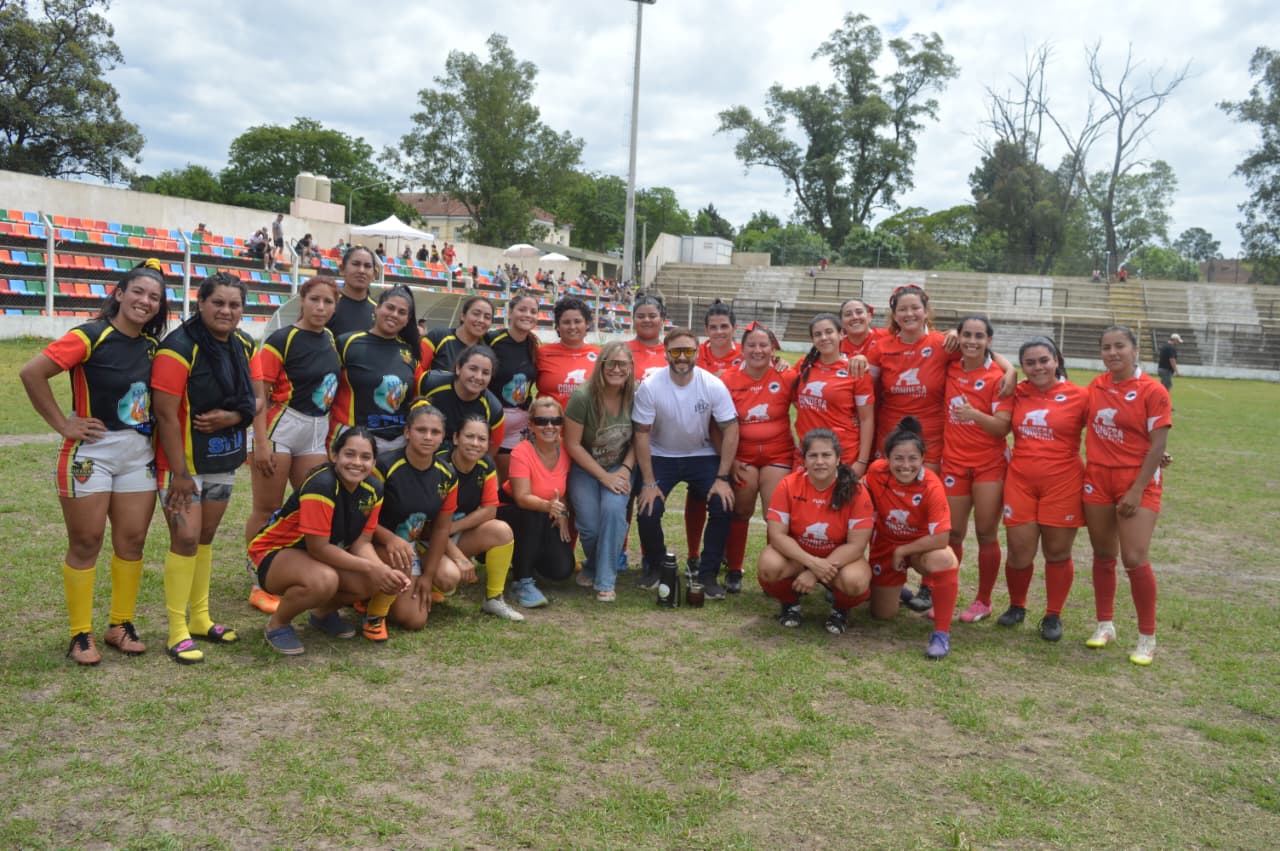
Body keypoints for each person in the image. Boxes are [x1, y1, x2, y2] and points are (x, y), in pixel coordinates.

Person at [20, 261, 169, 664]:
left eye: (154, 297)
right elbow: (32, 372)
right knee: (86, 542)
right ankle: (79, 634)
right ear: (119, 294)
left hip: (137, 454)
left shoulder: (153, 348)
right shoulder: (90, 335)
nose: (145, 301)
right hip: (91, 454)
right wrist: (63, 424)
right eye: (138, 292)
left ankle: (120, 624)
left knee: (132, 540)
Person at [865, 284, 1013, 614]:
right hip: (890, 445)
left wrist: (1011, 369)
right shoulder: (881, 347)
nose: (909, 314)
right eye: (901, 310)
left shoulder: (943, 344)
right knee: (886, 515)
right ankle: (885, 576)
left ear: (926, 310)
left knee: (926, 518)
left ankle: (933, 588)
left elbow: (982, 351)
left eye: (915, 308)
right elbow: (866, 387)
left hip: (933, 447)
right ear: (894, 314)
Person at [151, 272, 258, 665]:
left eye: (234, 305)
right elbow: (165, 413)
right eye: (218, 303)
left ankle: (200, 617)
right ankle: (177, 628)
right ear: (201, 303)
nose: (226, 311)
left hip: (222, 458)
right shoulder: (178, 347)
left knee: (206, 536)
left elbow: (256, 399)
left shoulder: (243, 344)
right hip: (182, 464)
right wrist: (179, 473)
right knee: (185, 539)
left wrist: (232, 418)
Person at [249, 428, 409, 655]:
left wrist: (381, 571)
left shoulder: (374, 488)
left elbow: (362, 542)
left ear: (374, 461)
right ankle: (278, 624)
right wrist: (374, 568)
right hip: (274, 553)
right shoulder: (322, 485)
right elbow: (319, 548)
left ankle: (322, 614)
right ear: (334, 455)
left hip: (316, 555)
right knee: (325, 580)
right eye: (349, 454)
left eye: (365, 457)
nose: (357, 463)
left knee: (373, 580)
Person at [245, 277, 341, 612]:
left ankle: (290, 567)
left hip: (316, 430)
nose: (321, 307)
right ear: (302, 300)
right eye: (315, 300)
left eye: (328, 302)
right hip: (281, 427)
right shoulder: (281, 339)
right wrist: (259, 441)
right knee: (267, 507)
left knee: (308, 505)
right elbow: (259, 394)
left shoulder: (329, 338)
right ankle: (259, 577)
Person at [1083, 326, 1172, 665]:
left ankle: (1147, 638)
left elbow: (1158, 444)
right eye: (1106, 347)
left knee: (1134, 558)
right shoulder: (1097, 385)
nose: (1112, 353)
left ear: (1135, 350)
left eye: (1120, 346)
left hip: (1136, 482)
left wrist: (1136, 489)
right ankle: (1105, 624)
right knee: (1103, 553)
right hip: (1097, 478)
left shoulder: (1153, 390)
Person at [633, 327, 739, 597]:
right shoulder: (651, 385)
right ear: (666, 352)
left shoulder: (712, 384)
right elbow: (641, 433)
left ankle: (708, 573)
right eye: (676, 351)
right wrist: (647, 481)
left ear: (697, 352)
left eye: (688, 351)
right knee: (648, 508)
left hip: (701, 455)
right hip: (661, 455)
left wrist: (723, 478)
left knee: (722, 503)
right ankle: (656, 565)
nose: (682, 357)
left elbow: (731, 428)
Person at [994, 336, 1089, 639]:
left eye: (1044, 360)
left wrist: (1154, 453)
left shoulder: (1080, 395)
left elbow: (1110, 428)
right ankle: (1017, 605)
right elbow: (983, 352)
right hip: (1021, 481)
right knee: (1019, 552)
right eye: (1030, 363)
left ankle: (1053, 615)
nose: (1038, 368)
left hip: (1063, 483)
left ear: (1056, 360)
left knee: (1057, 552)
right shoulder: (1017, 392)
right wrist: (1009, 371)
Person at [861, 417, 960, 659]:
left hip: (920, 549)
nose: (906, 465)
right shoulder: (876, 472)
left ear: (922, 459)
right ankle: (897, 590)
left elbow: (940, 537)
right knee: (882, 615)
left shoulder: (931, 486)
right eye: (899, 458)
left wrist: (903, 550)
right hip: (885, 545)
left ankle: (941, 634)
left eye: (913, 459)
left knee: (945, 560)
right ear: (887, 458)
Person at [757, 429, 874, 634]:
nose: (820, 461)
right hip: (799, 557)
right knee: (769, 566)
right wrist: (810, 563)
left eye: (826, 455)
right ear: (804, 460)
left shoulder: (855, 490)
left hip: (839, 559)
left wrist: (815, 571)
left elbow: (856, 546)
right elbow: (777, 535)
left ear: (838, 459)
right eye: (813, 455)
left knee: (855, 581)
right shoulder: (788, 485)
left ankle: (840, 610)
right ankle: (790, 603)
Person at [943, 315, 1013, 626]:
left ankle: (983, 600)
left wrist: (973, 415)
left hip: (989, 465)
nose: (972, 341)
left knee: (986, 533)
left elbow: (1001, 427)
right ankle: (946, 595)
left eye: (979, 336)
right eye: (967, 335)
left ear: (989, 341)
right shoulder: (950, 365)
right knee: (953, 532)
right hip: (954, 463)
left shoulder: (1000, 376)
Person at [370, 404, 459, 634]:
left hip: (412, 547)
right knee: (410, 616)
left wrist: (428, 577)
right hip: (376, 542)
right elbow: (360, 517)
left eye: (435, 432)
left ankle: (406, 584)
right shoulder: (384, 466)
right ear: (407, 432)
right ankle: (368, 594)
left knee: (419, 615)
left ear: (443, 437)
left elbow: (441, 529)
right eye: (421, 430)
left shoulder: (447, 474)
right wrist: (389, 539)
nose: (428, 437)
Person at [721, 321, 796, 593]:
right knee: (741, 509)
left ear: (772, 348)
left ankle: (772, 573)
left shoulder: (786, 376)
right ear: (741, 349)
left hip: (778, 453)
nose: (758, 350)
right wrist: (728, 460)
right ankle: (733, 569)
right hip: (743, 456)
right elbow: (716, 424)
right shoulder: (727, 379)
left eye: (763, 345)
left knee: (774, 514)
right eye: (751, 345)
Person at [564, 341, 637, 601]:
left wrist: (626, 470)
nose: (616, 369)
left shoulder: (635, 395)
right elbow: (572, 444)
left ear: (630, 367)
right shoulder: (583, 397)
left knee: (615, 512)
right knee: (589, 526)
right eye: (611, 363)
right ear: (601, 365)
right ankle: (594, 565)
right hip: (586, 466)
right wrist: (603, 476)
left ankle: (605, 580)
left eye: (622, 364)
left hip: (620, 465)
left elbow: (640, 440)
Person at [443, 416, 524, 620]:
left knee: (501, 530)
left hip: (452, 532)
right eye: (469, 436)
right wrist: (459, 558)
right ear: (455, 438)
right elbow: (430, 527)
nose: (475, 443)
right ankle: (432, 581)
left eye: (481, 439)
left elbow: (490, 510)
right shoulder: (440, 466)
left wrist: (453, 527)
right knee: (447, 579)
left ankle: (494, 599)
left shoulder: (485, 464)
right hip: (429, 541)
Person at [501, 396, 575, 608]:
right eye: (542, 421)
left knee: (562, 570)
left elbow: (565, 490)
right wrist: (552, 508)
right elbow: (522, 498)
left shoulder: (566, 450)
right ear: (531, 425)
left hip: (546, 513)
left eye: (555, 421)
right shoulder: (521, 451)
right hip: (512, 511)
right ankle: (521, 582)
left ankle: (524, 561)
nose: (549, 426)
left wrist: (563, 511)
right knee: (531, 514)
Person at [330, 286, 422, 455]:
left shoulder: (410, 352)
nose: (394, 314)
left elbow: (416, 397)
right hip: (354, 439)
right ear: (377, 308)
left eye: (402, 312)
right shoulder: (347, 343)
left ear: (407, 319)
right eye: (390, 307)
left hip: (397, 443)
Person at [792, 313, 875, 470]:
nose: (823, 337)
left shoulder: (855, 369)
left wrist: (862, 461)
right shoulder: (803, 365)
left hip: (843, 453)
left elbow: (866, 419)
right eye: (817, 334)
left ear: (842, 334)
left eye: (829, 332)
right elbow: (793, 398)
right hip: (808, 452)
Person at [485, 290, 541, 481]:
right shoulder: (492, 340)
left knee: (510, 482)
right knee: (483, 476)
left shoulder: (534, 345)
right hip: (491, 420)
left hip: (518, 424)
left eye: (533, 311)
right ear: (509, 312)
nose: (527, 315)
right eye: (522, 309)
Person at [417, 345, 505, 450]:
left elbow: (490, 451)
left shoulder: (494, 409)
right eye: (473, 369)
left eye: (485, 373)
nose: (478, 377)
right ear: (458, 368)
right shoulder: (429, 382)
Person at [536, 296, 600, 410]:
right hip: (550, 425)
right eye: (566, 322)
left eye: (577, 321)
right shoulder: (541, 353)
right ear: (557, 326)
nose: (572, 327)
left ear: (587, 324)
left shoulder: (600, 355)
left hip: (586, 426)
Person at [425, 295, 494, 376]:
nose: (481, 320)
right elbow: (418, 371)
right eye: (476, 314)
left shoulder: (488, 349)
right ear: (463, 316)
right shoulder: (438, 336)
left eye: (487, 317)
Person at [329, 245, 380, 337]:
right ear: (342, 269)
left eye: (367, 266)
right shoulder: (327, 305)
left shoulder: (380, 310)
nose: (361, 270)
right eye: (356, 264)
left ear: (374, 274)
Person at [626, 294, 669, 383]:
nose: (646, 320)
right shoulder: (621, 350)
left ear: (662, 320)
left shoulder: (672, 353)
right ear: (633, 320)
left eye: (652, 316)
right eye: (640, 316)